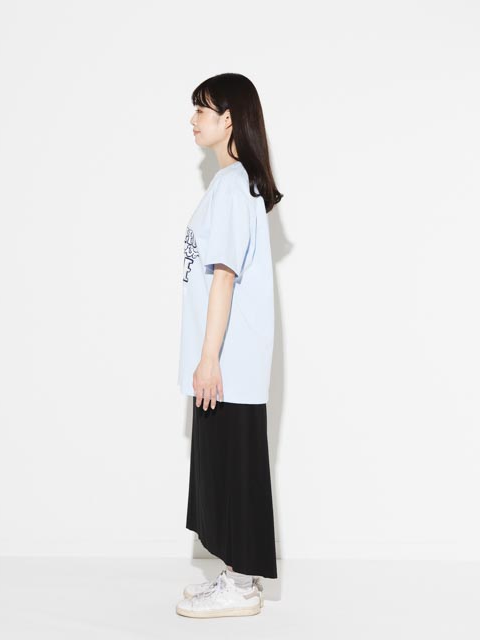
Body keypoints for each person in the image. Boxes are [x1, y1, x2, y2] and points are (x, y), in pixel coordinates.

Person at [175, 73, 283, 619]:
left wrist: (209, 358)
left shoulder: (234, 185)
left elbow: (224, 276)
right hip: (226, 359)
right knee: (224, 466)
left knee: (235, 469)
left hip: (228, 361)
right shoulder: (233, 184)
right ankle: (236, 578)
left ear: (229, 119)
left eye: (203, 109)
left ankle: (240, 588)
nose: (193, 119)